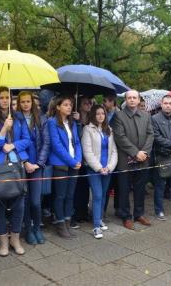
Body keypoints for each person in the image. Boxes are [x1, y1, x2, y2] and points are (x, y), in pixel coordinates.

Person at [0, 87, 31, 256]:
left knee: (19, 204)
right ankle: (3, 241)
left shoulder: (18, 117)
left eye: (7, 97)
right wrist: (4, 129)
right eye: (1, 97)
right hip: (0, 167)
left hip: (17, 165)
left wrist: (13, 145)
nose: (5, 100)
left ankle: (15, 238)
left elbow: (27, 139)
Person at [111, 90, 154, 230]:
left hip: (143, 160)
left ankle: (139, 214)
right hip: (126, 160)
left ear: (139, 99)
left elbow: (150, 134)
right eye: (129, 98)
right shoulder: (119, 116)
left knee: (140, 188)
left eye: (134, 97)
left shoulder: (146, 115)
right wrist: (136, 153)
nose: (132, 100)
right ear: (125, 100)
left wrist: (144, 152)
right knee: (124, 189)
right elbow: (120, 137)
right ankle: (125, 216)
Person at [17, 91, 50, 245]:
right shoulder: (15, 119)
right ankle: (28, 230)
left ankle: (37, 228)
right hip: (21, 166)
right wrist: (25, 162)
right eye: (22, 101)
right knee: (25, 200)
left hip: (37, 165)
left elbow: (46, 143)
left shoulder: (41, 119)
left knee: (36, 201)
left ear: (32, 102)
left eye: (28, 101)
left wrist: (38, 163)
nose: (25, 104)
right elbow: (15, 143)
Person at [48, 95, 82, 239]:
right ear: (58, 107)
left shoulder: (72, 122)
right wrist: (72, 161)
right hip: (60, 164)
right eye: (66, 105)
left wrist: (78, 159)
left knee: (70, 195)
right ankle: (60, 223)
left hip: (74, 164)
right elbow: (57, 146)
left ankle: (68, 221)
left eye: (70, 105)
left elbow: (77, 143)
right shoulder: (52, 122)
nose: (69, 107)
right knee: (60, 195)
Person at [81, 105, 118, 239]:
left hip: (107, 169)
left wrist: (109, 167)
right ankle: (96, 226)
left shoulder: (109, 129)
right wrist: (99, 168)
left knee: (103, 195)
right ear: (93, 115)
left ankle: (100, 218)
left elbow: (114, 151)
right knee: (97, 195)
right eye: (98, 114)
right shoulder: (87, 129)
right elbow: (87, 151)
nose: (101, 116)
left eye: (103, 113)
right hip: (94, 169)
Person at [151, 95, 171, 220]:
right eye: (166, 103)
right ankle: (159, 211)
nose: (168, 105)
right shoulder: (154, 119)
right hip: (162, 155)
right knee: (160, 186)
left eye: (170, 103)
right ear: (161, 104)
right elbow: (156, 136)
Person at [73, 96, 93, 225]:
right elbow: (77, 137)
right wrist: (78, 122)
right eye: (85, 102)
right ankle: (75, 213)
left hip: (88, 158)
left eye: (90, 102)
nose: (88, 104)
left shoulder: (91, 118)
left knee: (85, 187)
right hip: (78, 156)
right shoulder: (75, 119)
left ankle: (84, 211)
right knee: (77, 187)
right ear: (79, 105)